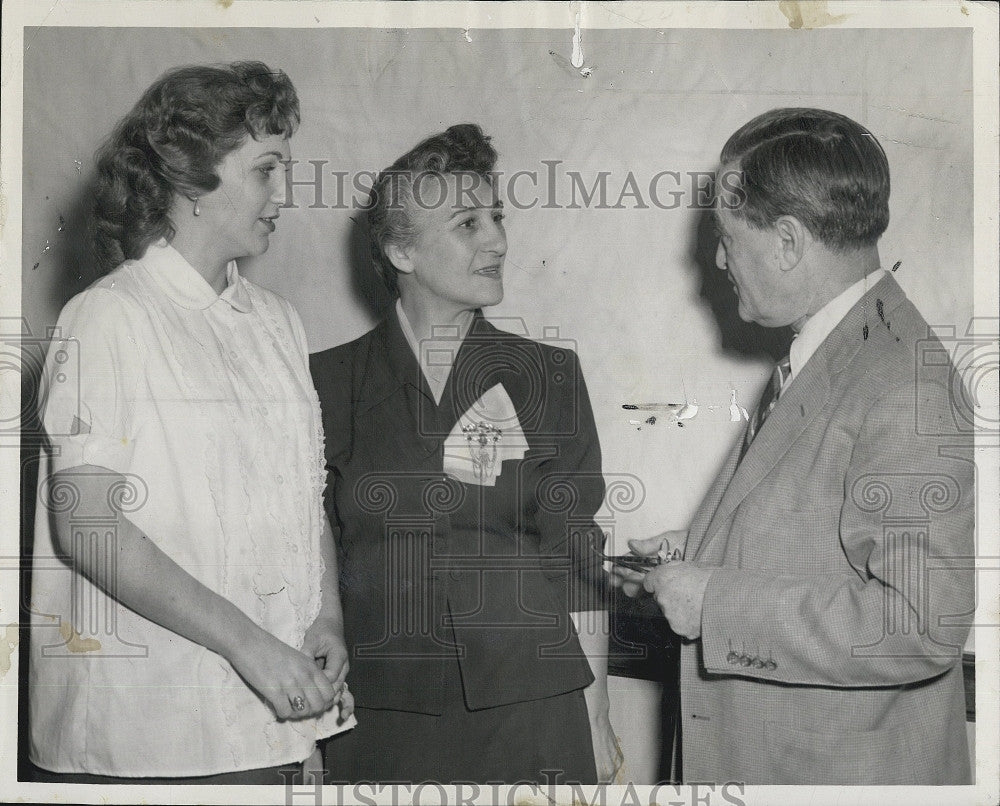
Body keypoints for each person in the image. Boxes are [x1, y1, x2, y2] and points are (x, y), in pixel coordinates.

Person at [614, 108, 974, 785]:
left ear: (786, 242)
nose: (717, 259)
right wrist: (699, 555)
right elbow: (818, 536)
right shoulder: (837, 350)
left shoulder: (900, 379)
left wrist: (714, 601)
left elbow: (922, 624)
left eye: (726, 237)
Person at [29, 61, 354, 784]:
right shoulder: (110, 316)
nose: (286, 194)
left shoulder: (277, 324)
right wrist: (251, 646)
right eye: (266, 170)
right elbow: (88, 527)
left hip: (275, 720)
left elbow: (305, 502)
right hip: (150, 734)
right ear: (190, 180)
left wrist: (324, 620)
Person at [311, 123, 620, 783]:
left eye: (498, 218)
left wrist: (598, 715)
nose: (498, 241)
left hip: (534, 711)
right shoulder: (323, 384)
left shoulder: (550, 376)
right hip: (382, 717)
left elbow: (577, 560)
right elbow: (313, 553)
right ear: (401, 251)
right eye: (468, 223)